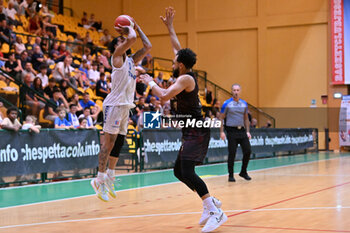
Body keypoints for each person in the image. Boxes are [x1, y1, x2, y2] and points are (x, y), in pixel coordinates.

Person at [139, 7, 226, 233]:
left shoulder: (185, 79)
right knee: (179, 171)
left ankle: (216, 211)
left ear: (180, 64)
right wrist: (169, 27)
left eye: (174, 59)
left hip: (197, 129)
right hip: (190, 130)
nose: (172, 59)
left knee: (187, 171)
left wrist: (149, 80)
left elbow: (165, 94)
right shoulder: (184, 70)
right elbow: (177, 46)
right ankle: (210, 204)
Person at [90, 19, 152, 202]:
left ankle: (110, 175)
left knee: (119, 143)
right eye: (120, 40)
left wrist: (138, 27)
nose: (122, 40)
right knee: (107, 144)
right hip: (114, 105)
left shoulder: (132, 61)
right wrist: (129, 28)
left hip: (126, 105)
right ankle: (98, 179)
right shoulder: (117, 56)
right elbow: (131, 39)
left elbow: (147, 45)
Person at [220, 84, 252, 182]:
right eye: (234, 90)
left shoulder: (244, 104)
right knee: (232, 153)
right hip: (231, 131)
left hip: (242, 131)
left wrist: (248, 131)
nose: (236, 92)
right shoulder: (227, 103)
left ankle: (243, 172)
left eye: (238, 90)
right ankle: (230, 175)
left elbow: (246, 119)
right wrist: (221, 131)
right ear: (232, 91)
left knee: (248, 151)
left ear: (240, 91)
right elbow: (221, 118)